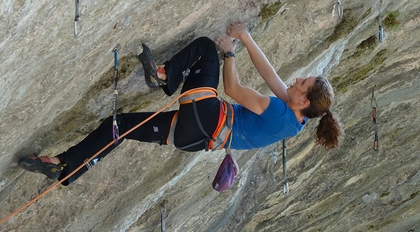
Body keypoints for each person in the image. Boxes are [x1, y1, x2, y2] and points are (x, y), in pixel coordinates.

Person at [18, 22, 344, 186]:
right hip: (193, 138)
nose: (298, 78)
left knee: (204, 48)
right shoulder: (295, 120)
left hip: (207, 118)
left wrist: (229, 52)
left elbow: (232, 87)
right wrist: (245, 36)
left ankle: (164, 77)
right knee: (119, 126)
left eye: (304, 82)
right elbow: (271, 74)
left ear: (303, 99)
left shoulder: (277, 112)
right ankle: (66, 167)